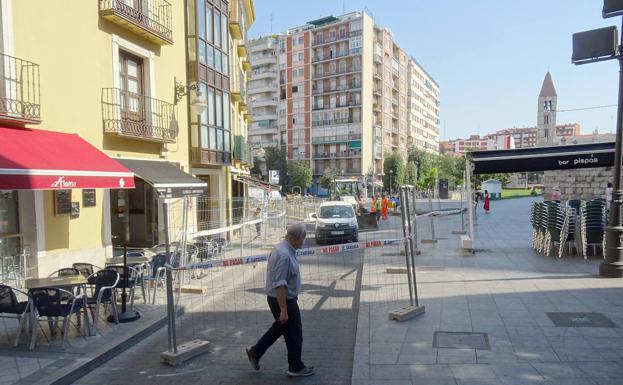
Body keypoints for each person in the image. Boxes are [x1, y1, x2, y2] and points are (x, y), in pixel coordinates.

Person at [246, 223, 314, 377]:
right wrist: (283, 309)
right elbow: (280, 285)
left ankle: (255, 352)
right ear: (297, 238)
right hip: (284, 301)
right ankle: (295, 367)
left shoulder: (283, 249)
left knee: (281, 329)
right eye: (303, 238)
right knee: (295, 333)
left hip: (281, 300)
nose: (303, 242)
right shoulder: (284, 255)